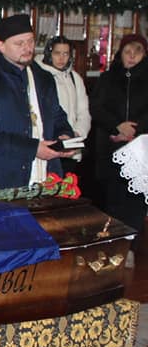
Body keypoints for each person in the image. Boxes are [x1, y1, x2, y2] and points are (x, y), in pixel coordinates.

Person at [0, 14, 74, 191]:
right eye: (19, 43)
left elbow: (57, 116)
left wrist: (65, 137)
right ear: (1, 46)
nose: (27, 48)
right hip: (4, 180)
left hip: (47, 175)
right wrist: (33, 148)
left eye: (30, 41)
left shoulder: (44, 78)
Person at [90, 33, 148, 234]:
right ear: (120, 54)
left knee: (136, 200)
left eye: (137, 52)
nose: (132, 56)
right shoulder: (107, 78)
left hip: (140, 149)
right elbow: (96, 108)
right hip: (110, 148)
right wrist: (117, 126)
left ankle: (133, 242)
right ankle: (114, 241)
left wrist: (135, 130)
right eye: (127, 51)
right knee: (112, 200)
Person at [35, 36, 90, 176]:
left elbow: (83, 111)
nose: (61, 58)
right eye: (57, 53)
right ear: (49, 53)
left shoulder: (75, 78)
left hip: (71, 144)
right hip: (48, 144)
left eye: (66, 54)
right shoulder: (40, 76)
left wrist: (77, 133)